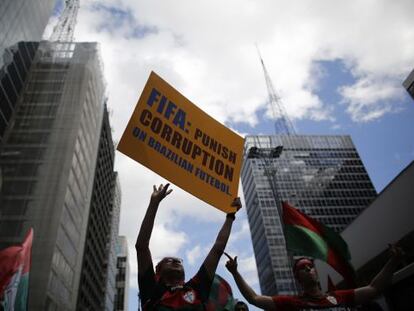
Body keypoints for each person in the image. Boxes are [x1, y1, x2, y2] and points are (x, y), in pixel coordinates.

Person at [136, 183, 241, 310]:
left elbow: (218, 248)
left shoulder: (196, 287)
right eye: (169, 261)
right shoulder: (152, 289)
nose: (175, 261)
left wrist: (231, 216)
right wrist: (154, 203)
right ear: (157, 272)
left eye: (178, 261)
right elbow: (141, 246)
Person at [224, 245, 403, 310]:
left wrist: (393, 262)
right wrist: (235, 273)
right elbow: (254, 299)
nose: (309, 269)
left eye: (311, 266)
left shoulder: (339, 297)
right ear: (298, 278)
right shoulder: (292, 303)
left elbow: (374, 289)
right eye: (303, 268)